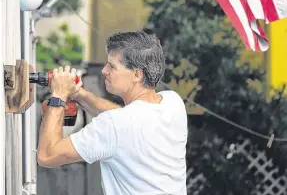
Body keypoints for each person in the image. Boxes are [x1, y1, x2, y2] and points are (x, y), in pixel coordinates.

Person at [37, 30, 188, 195]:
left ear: (137, 74)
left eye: (112, 66)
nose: (104, 70)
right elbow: (126, 118)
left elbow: (47, 156)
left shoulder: (116, 125)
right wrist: (79, 94)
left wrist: (59, 95)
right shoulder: (173, 104)